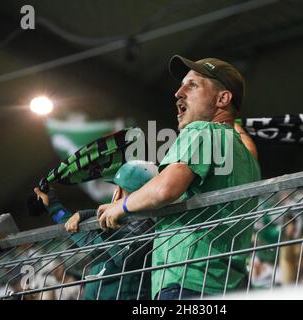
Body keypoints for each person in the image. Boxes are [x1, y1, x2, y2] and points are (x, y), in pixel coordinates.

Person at [97, 55, 261, 299]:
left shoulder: (203, 130)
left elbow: (166, 188)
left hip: (187, 281)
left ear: (222, 99)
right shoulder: (247, 158)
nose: (178, 93)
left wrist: (121, 206)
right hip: (230, 285)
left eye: (192, 85)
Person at [34, 160, 158, 300]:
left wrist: (98, 218)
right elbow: (85, 238)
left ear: (120, 191)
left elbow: (126, 255)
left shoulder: (145, 225)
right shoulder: (120, 225)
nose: (115, 192)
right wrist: (53, 207)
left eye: (117, 187)